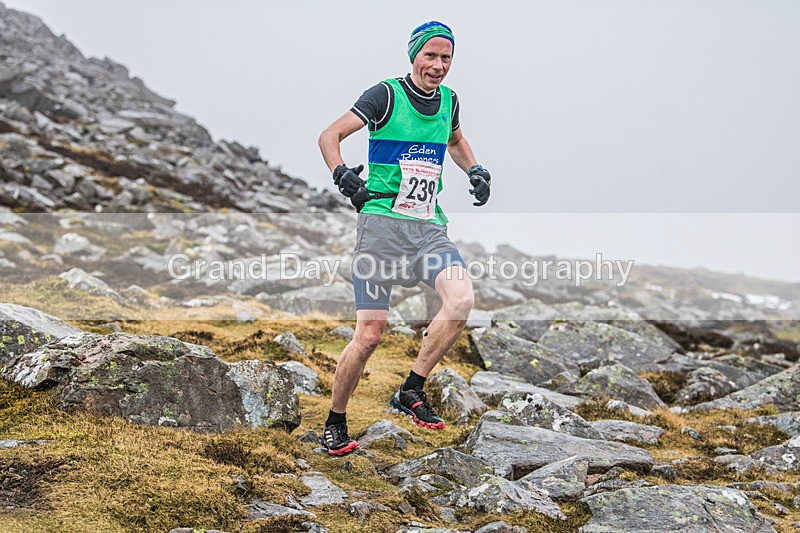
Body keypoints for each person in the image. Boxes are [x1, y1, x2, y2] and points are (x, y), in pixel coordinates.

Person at [317, 21, 491, 456]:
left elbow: (455, 140)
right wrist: (342, 174)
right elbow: (329, 135)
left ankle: (411, 388)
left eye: (445, 58)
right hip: (381, 225)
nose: (437, 65)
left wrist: (475, 170)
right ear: (414, 55)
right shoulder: (386, 95)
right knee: (371, 334)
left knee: (462, 299)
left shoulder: (449, 102)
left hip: (428, 228)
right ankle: (335, 420)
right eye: (429, 56)